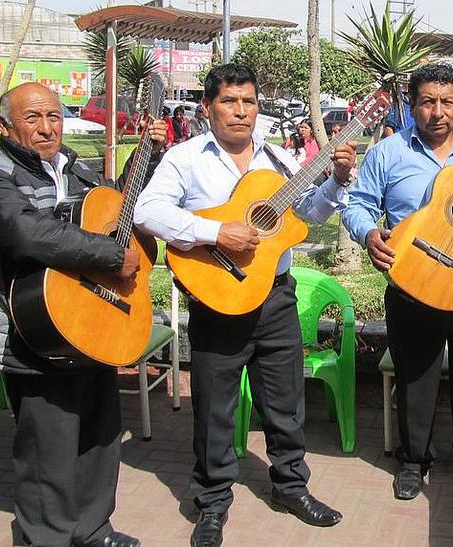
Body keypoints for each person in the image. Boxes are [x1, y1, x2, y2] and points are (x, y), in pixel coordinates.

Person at [134, 63, 356, 547]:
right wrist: (216, 231)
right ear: (208, 107)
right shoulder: (185, 158)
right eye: (230, 102)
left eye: (249, 102)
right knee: (215, 408)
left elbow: (305, 216)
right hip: (217, 296)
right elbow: (146, 210)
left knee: (285, 402)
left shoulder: (276, 160)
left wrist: (336, 180)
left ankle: (291, 488)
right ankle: (211, 504)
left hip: (276, 297)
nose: (241, 111)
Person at [0, 82, 167, 547]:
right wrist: (114, 258)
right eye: (32, 118)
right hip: (33, 331)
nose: (46, 127)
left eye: (53, 116)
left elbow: (111, 206)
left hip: (92, 319)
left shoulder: (73, 168)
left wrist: (145, 158)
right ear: (6, 127)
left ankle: (93, 530)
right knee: (46, 454)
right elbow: (29, 233)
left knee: (100, 435)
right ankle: (47, 538)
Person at [342, 62, 453, 501]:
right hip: (413, 279)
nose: (437, 112)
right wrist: (369, 234)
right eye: (427, 102)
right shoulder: (388, 152)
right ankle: (413, 458)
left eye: (446, 102)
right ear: (412, 104)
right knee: (415, 372)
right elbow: (358, 205)